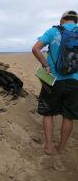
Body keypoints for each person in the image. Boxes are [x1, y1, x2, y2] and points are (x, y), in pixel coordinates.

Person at [32, 10, 78, 154]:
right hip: (75, 82)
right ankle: (62, 147)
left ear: (62, 20)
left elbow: (35, 48)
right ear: (75, 21)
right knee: (69, 116)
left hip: (53, 80)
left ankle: (49, 147)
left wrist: (46, 65)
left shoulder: (53, 31)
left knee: (48, 113)